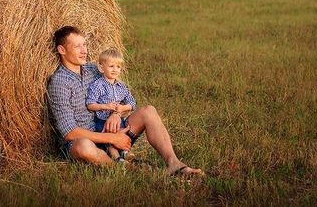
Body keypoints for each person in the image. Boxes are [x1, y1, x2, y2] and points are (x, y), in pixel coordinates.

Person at [47, 26, 204, 176]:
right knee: (84, 146)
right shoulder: (59, 82)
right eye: (77, 47)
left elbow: (119, 94)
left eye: (84, 45)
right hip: (82, 142)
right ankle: (122, 167)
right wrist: (112, 139)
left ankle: (174, 164)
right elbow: (69, 133)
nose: (84, 51)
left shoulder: (94, 70)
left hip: (110, 130)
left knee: (149, 111)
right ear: (62, 50)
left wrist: (116, 113)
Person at [85, 48, 136, 162]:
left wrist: (123, 107)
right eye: (111, 66)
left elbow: (133, 103)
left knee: (123, 132)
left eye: (118, 67)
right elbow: (90, 104)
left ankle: (125, 152)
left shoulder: (122, 86)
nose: (115, 70)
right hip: (102, 121)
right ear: (101, 68)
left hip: (119, 120)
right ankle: (116, 158)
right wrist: (105, 106)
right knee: (110, 138)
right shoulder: (98, 85)